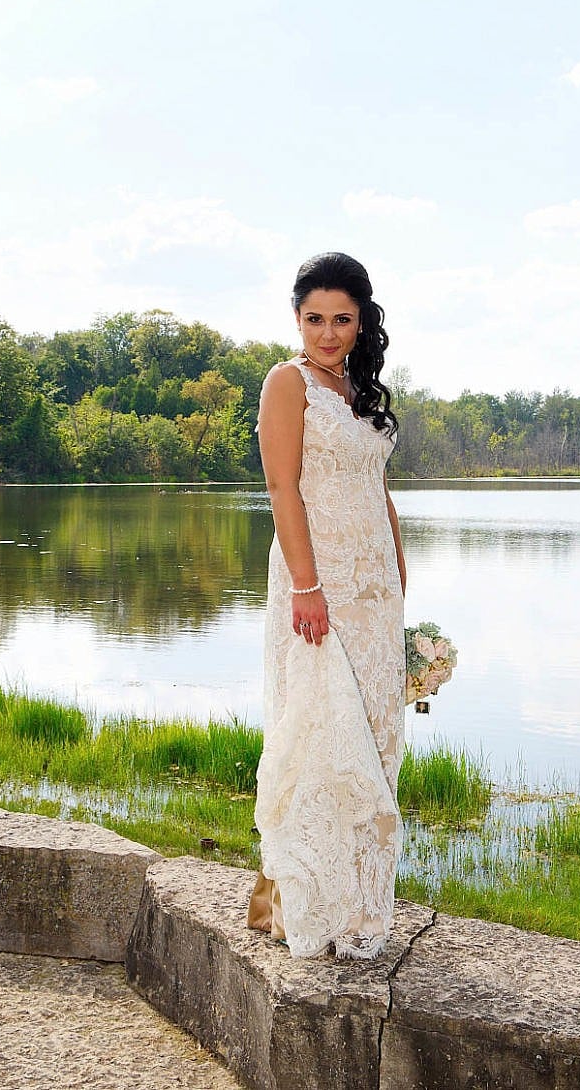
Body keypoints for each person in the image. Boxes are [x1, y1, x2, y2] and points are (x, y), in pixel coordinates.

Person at [247, 251, 407, 960]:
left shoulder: (362, 390)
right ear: (297, 319)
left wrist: (400, 574)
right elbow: (284, 488)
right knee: (317, 740)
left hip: (376, 596)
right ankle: (290, 909)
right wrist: (307, 588)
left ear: (362, 321)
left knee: (373, 743)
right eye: (315, 318)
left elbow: (379, 490)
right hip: (321, 587)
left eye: (342, 319)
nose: (328, 332)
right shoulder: (290, 384)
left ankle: (357, 911)